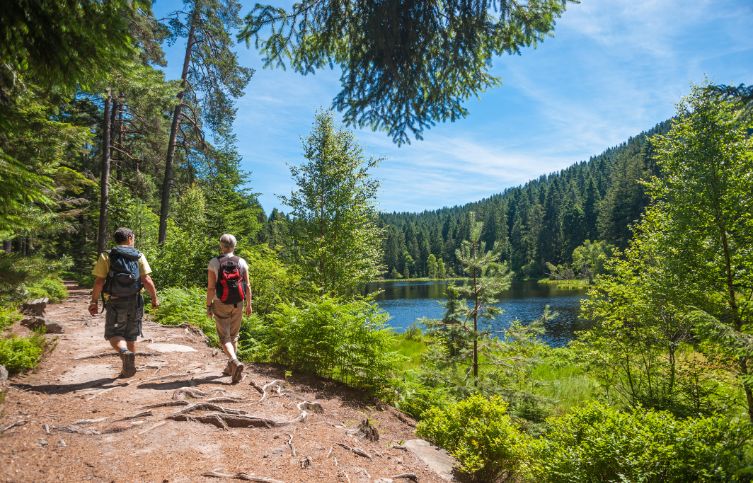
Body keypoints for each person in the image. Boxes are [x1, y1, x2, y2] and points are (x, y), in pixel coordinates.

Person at [89, 227, 159, 377]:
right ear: (129, 238)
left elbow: (99, 281)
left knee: (114, 333)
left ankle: (124, 352)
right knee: (131, 335)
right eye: (133, 238)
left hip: (115, 301)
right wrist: (154, 298)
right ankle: (128, 368)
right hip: (135, 300)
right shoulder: (138, 255)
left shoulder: (106, 256)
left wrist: (94, 301)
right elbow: (146, 280)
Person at [206, 234, 252, 383]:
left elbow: (211, 287)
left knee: (224, 338)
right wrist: (249, 305)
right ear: (235, 245)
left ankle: (234, 361)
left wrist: (208, 306)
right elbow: (248, 286)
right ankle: (230, 368)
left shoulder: (214, 262)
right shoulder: (242, 262)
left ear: (221, 246)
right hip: (238, 302)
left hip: (221, 302)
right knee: (234, 335)